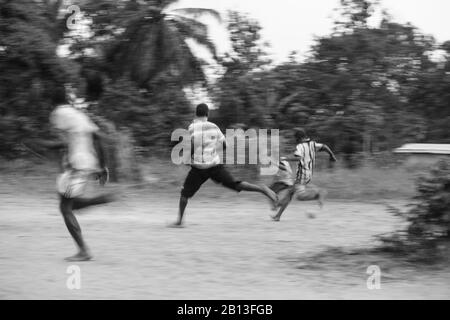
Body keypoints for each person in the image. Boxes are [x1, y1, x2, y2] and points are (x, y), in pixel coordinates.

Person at [28, 104, 115, 261]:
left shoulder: (74, 122)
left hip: (77, 169)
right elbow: (75, 143)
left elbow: (97, 141)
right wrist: (41, 144)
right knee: (70, 204)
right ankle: (101, 200)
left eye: (57, 122)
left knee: (65, 207)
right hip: (79, 168)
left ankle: (83, 251)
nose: (57, 126)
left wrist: (102, 168)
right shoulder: (81, 122)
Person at [171, 103, 278, 227]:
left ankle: (179, 221)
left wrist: (188, 158)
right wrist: (211, 151)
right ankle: (263, 189)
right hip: (215, 166)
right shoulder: (214, 126)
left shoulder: (192, 127)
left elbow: (191, 145)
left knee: (184, 195)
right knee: (235, 185)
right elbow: (224, 145)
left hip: (199, 168)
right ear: (207, 114)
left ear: (196, 113)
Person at [270, 128, 337, 222]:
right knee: (290, 193)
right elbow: (324, 146)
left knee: (300, 196)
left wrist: (284, 158)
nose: (295, 140)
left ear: (299, 138)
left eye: (295, 138)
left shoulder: (300, 146)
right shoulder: (313, 144)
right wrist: (332, 156)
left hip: (301, 175)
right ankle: (277, 216)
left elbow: (297, 158)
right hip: (309, 175)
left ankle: (318, 194)